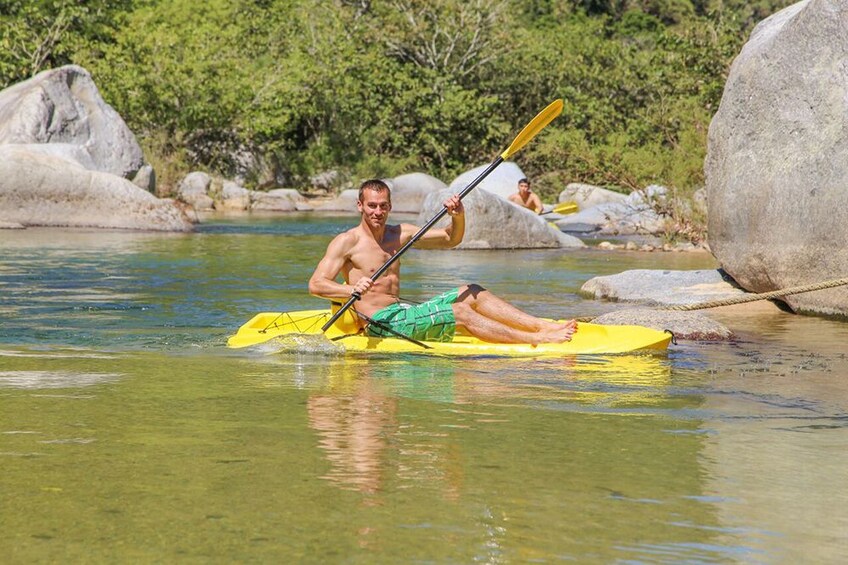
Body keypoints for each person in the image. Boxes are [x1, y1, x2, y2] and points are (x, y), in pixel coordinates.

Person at [308, 179, 576, 345]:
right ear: (360, 206)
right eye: (372, 206)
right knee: (459, 312)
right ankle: (536, 339)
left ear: (390, 206)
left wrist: (457, 215)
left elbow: (450, 239)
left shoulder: (400, 234)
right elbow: (316, 285)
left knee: (470, 292)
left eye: (383, 206)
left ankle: (541, 325)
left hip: (401, 314)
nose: (378, 212)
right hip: (380, 324)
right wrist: (350, 290)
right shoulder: (347, 242)